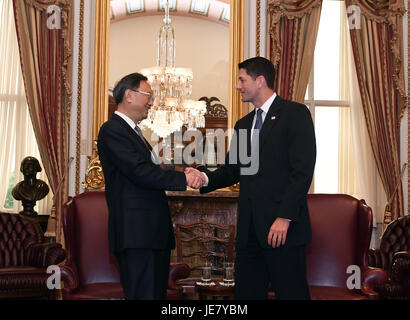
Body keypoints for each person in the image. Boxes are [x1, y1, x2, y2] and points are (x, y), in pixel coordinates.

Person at [187, 57, 316, 299]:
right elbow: (233, 170)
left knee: (292, 294)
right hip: (249, 234)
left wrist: (284, 217)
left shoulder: (295, 114)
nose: (238, 86)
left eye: (241, 79)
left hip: (282, 230)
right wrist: (203, 177)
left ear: (260, 81)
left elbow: (302, 171)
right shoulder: (244, 124)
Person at [97, 72, 204, 300]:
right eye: (149, 95)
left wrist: (182, 171)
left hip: (149, 234)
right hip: (136, 234)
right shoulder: (113, 130)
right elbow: (140, 172)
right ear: (129, 95)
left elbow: (153, 170)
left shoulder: (136, 133)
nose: (152, 102)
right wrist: (184, 179)